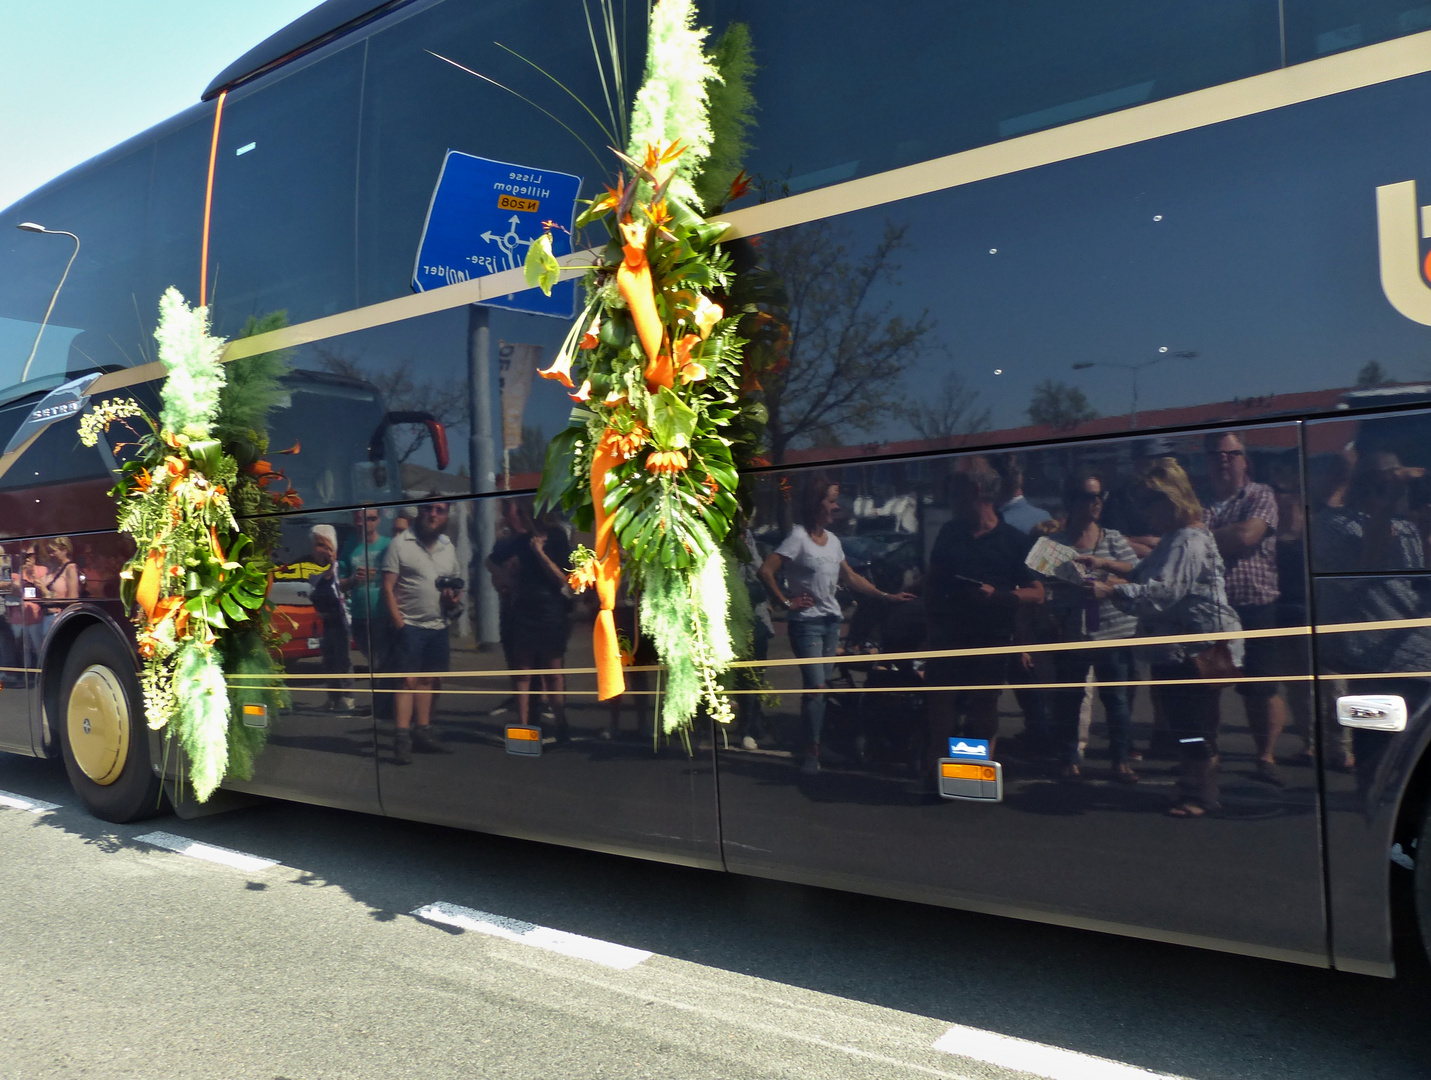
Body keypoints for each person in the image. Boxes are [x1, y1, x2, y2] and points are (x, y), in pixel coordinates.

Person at [1093, 458, 1242, 817]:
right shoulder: (1179, 537)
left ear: (1171, 499)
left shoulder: (1187, 540)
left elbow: (1160, 594)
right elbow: (1147, 570)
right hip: (1182, 647)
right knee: (1185, 722)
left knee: (1191, 723)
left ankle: (1202, 793)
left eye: (1149, 502)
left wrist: (1109, 592)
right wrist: (1106, 566)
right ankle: (1192, 786)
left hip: (1193, 648)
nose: (1144, 512)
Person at [760, 477, 913, 775]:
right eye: (831, 501)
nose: (836, 506)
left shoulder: (833, 541)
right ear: (817, 504)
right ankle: (811, 752)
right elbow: (766, 570)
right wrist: (785, 601)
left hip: (832, 622)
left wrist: (886, 595)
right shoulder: (798, 538)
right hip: (806, 624)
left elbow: (850, 577)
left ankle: (813, 740)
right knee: (817, 686)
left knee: (818, 687)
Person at [922, 460, 1045, 768]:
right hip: (948, 633)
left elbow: (1038, 592)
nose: (950, 499)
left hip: (990, 636)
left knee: (983, 705)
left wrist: (1000, 596)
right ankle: (936, 767)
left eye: (955, 492)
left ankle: (973, 769)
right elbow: (932, 580)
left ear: (975, 491)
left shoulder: (1014, 540)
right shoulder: (950, 533)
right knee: (941, 703)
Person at [1203, 431, 1288, 786]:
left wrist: (1200, 540)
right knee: (1208, 685)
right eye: (1215, 455)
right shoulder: (1197, 505)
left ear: (1245, 460)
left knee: (1261, 688)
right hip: (1212, 610)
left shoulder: (1261, 495)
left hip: (1256, 607)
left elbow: (1246, 536)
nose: (1223, 460)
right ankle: (1208, 757)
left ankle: (1265, 756)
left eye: (1230, 454)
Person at [1049, 471, 1140, 782]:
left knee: (1117, 700)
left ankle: (1121, 760)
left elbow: (1135, 574)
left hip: (1115, 631)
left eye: (1101, 495)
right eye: (1090, 496)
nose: (1098, 502)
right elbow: (1040, 586)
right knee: (1070, 699)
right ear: (1072, 501)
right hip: (1073, 633)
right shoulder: (1053, 544)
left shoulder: (1112, 538)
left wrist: (1103, 580)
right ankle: (1068, 758)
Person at [382, 501, 461, 764]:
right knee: (406, 681)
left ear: (446, 515)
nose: (433, 514)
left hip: (438, 625)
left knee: (428, 680)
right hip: (410, 626)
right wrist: (399, 624)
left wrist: (452, 598)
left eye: (440, 510)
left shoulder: (448, 546)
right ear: (420, 512)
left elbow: (454, 584)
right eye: (428, 509)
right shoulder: (401, 543)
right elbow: (387, 588)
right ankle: (401, 738)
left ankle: (423, 733)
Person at [485, 503, 574, 736]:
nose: (522, 518)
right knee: (523, 671)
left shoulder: (556, 537)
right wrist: (504, 577)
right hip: (524, 608)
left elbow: (562, 579)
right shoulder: (521, 540)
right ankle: (524, 726)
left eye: (525, 512)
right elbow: (490, 561)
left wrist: (540, 553)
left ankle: (561, 722)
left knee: (553, 671)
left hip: (551, 609)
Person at [308, 524, 357, 714]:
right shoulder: (315, 574)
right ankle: (333, 698)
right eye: (318, 545)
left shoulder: (340, 569)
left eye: (325, 546)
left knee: (343, 659)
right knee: (328, 661)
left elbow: (343, 589)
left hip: (340, 621)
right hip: (325, 622)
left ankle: (348, 697)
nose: (321, 551)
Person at [339, 508, 391, 672]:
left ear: (378, 520)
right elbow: (339, 583)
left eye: (372, 518)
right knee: (373, 662)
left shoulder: (388, 545)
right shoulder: (349, 546)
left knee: (383, 663)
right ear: (355, 520)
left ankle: (385, 695)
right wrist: (354, 578)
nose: (366, 523)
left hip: (384, 614)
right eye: (361, 519)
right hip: (359, 616)